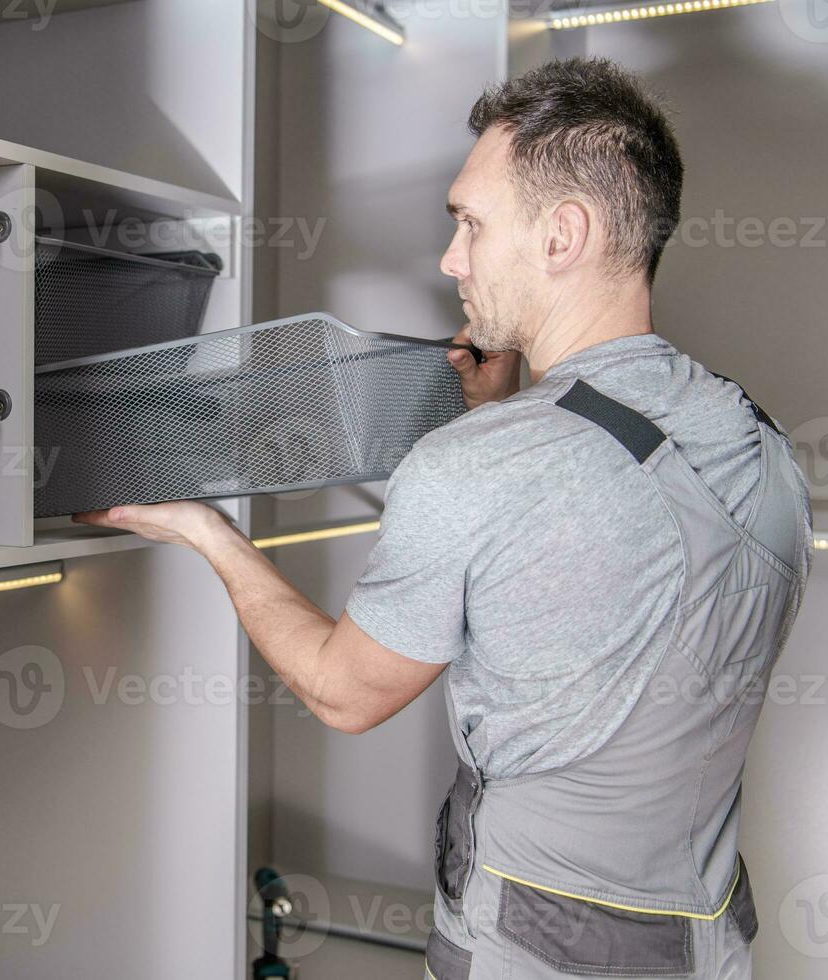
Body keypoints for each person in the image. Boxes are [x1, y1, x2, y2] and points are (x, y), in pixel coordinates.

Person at [74, 57, 813, 979]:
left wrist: (203, 528)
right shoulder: (757, 436)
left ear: (563, 234)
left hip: (533, 953)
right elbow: (613, 598)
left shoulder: (477, 468)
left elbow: (345, 692)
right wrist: (499, 417)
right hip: (708, 943)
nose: (449, 259)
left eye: (469, 222)